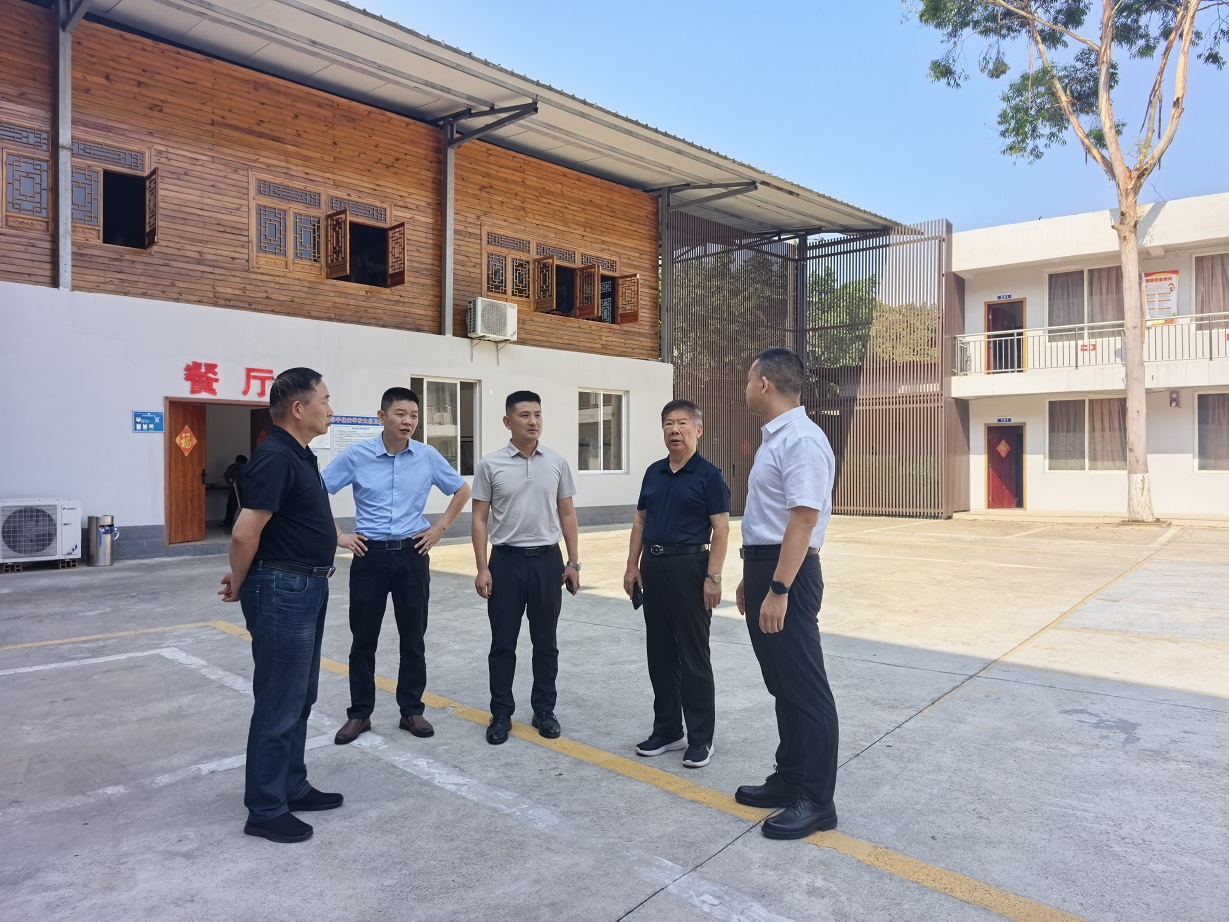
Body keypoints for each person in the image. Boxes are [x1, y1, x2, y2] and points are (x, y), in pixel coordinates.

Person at [218, 368, 341, 844]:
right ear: (298, 407)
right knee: (279, 698)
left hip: (306, 585)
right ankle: (266, 808)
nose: (330, 409)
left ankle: (292, 785)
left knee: (301, 694)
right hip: (283, 589)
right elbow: (244, 532)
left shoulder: (298, 454)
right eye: (324, 400)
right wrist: (241, 579)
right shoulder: (274, 457)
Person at [324, 387, 471, 745]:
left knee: (413, 637)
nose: (408, 421)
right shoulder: (357, 455)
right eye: (400, 414)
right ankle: (360, 714)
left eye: (414, 416)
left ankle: (411, 710)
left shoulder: (427, 456)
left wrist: (439, 529)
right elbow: (315, 489)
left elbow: (462, 490)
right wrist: (338, 535)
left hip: (412, 554)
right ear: (382, 416)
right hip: (369, 555)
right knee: (363, 639)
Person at [733, 348, 840, 840]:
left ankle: (817, 801)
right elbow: (769, 518)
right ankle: (791, 777)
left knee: (806, 689)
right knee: (782, 685)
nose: (746, 387)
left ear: (764, 384)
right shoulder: (776, 438)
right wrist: (751, 577)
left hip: (788, 576)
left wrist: (778, 588)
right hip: (767, 568)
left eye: (748, 379)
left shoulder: (801, 439)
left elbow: (803, 519)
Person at [624, 399, 730, 769]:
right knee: (660, 653)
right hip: (654, 568)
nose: (675, 430)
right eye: (669, 423)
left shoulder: (709, 476)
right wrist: (632, 566)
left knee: (693, 656)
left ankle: (701, 738)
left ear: (698, 430)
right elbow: (640, 520)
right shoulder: (653, 473)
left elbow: (721, 529)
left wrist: (713, 577)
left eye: (683, 423)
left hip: (691, 568)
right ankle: (668, 730)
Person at [471, 391, 580, 745]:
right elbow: (479, 518)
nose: (533, 421)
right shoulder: (490, 464)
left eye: (537, 414)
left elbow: (567, 513)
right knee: (503, 643)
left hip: (548, 561)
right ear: (508, 421)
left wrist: (572, 561)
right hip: (506, 562)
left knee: (546, 642)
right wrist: (482, 567)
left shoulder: (557, 462)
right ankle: (501, 713)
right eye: (524, 415)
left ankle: (544, 711)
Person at [222, 454, 248, 529]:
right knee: (244, 507)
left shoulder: (232, 466)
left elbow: (226, 476)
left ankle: (227, 522)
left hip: (235, 488)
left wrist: (230, 483)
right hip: (245, 489)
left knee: (231, 506)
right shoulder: (247, 467)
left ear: (236, 460)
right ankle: (245, 523)